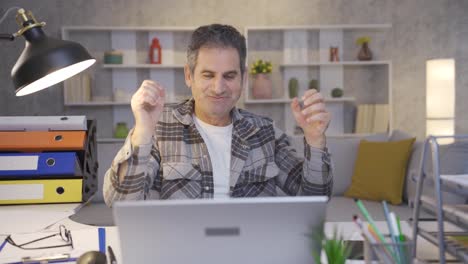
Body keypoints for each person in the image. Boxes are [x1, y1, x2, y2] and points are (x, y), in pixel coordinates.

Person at [103, 24, 333, 206]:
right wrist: (142, 132)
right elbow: (120, 203)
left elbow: (315, 198)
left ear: (242, 77)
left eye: (229, 76)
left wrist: (315, 141)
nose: (218, 88)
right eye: (208, 75)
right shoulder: (159, 127)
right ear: (189, 75)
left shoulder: (265, 132)